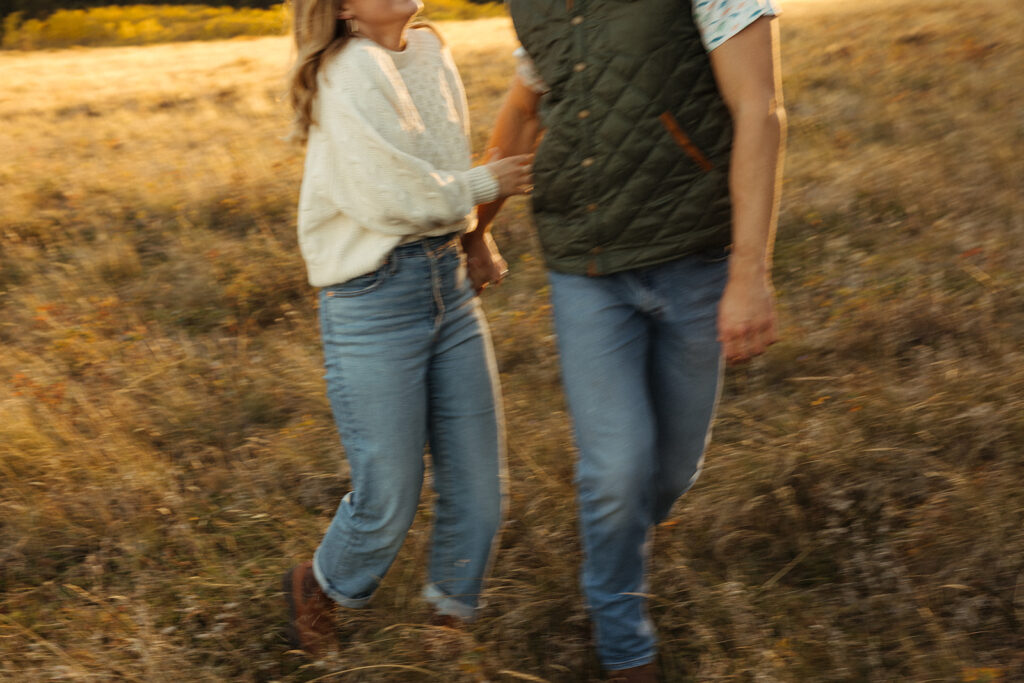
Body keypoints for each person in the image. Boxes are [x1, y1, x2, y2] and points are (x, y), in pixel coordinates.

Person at [477, 1, 786, 680]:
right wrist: (477, 227)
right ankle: (624, 644)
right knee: (615, 471)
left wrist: (749, 272)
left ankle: (614, 545)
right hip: (584, 264)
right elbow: (528, 108)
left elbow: (759, 109)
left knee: (667, 476)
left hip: (695, 259)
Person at [280, 0, 532, 655]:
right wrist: (486, 181)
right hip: (372, 298)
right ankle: (319, 586)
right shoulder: (346, 69)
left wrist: (474, 236)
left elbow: (437, 161)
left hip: (445, 278)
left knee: (480, 486)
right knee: (389, 492)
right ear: (342, 7)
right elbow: (387, 195)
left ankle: (447, 626)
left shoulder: (428, 49)